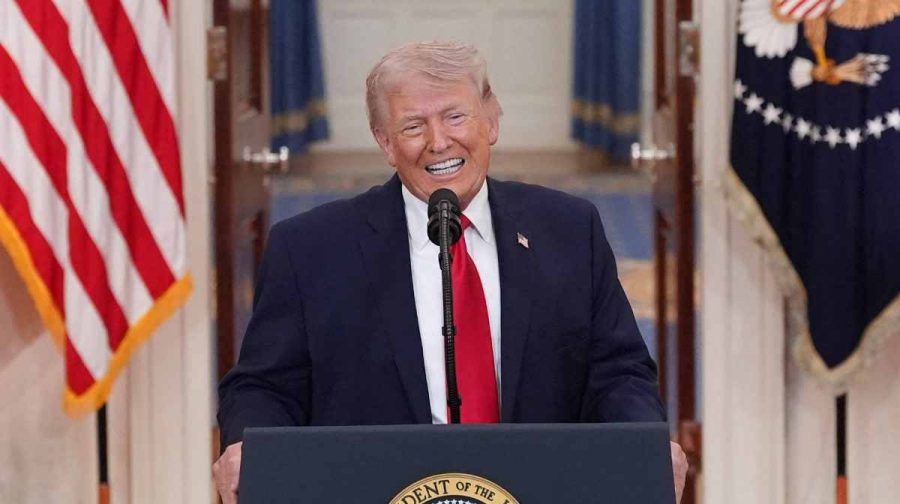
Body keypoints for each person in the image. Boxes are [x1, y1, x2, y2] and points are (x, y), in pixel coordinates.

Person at [214, 41, 688, 503]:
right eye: (413, 126)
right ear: (385, 143)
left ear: (492, 121)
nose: (439, 141)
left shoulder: (568, 229)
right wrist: (244, 447)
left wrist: (645, 444)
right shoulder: (311, 249)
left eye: (456, 116)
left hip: (541, 486)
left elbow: (619, 372)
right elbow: (263, 386)